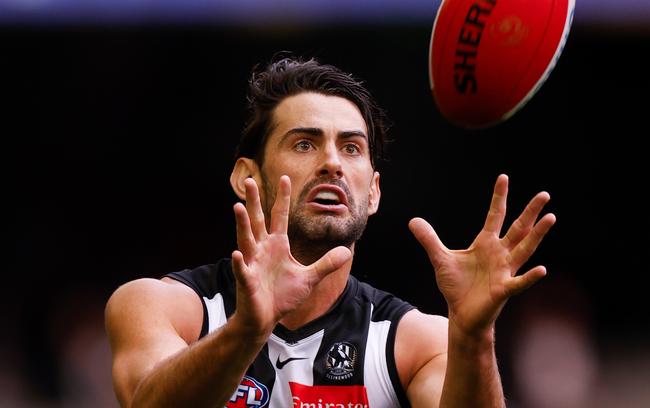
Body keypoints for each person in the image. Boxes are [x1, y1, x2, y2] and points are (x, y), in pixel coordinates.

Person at [105, 56, 556, 407]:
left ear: (374, 192)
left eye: (352, 148)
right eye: (304, 143)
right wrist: (247, 331)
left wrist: (475, 338)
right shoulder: (162, 307)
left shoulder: (413, 344)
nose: (333, 162)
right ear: (247, 178)